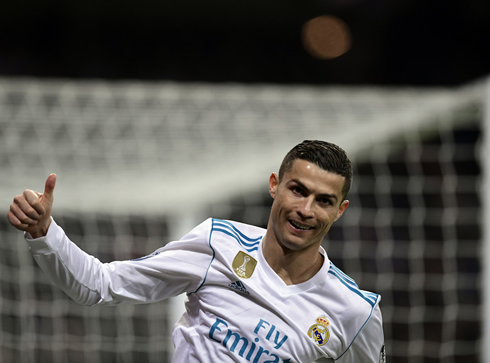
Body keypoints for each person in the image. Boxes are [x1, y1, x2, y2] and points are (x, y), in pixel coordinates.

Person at [7, 140, 385, 363]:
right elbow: (100, 286)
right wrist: (45, 232)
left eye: (323, 201)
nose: (305, 210)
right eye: (298, 190)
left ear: (340, 210)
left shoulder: (356, 312)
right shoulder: (217, 243)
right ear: (275, 185)